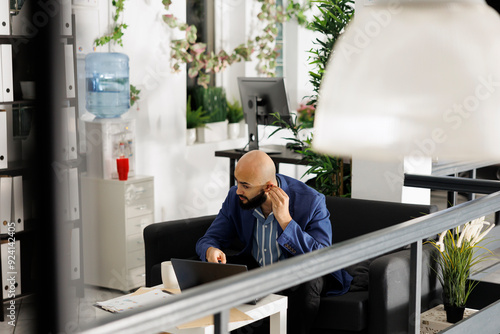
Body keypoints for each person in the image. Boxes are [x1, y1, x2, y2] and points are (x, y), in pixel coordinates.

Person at [196, 150, 352, 334]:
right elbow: (209, 238)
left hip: (297, 274)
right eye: (237, 182)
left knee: (309, 278)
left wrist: (286, 222)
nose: (238, 190)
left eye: (245, 185)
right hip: (256, 270)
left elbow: (323, 257)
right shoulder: (235, 197)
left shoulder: (311, 201)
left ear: (268, 187)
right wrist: (210, 250)